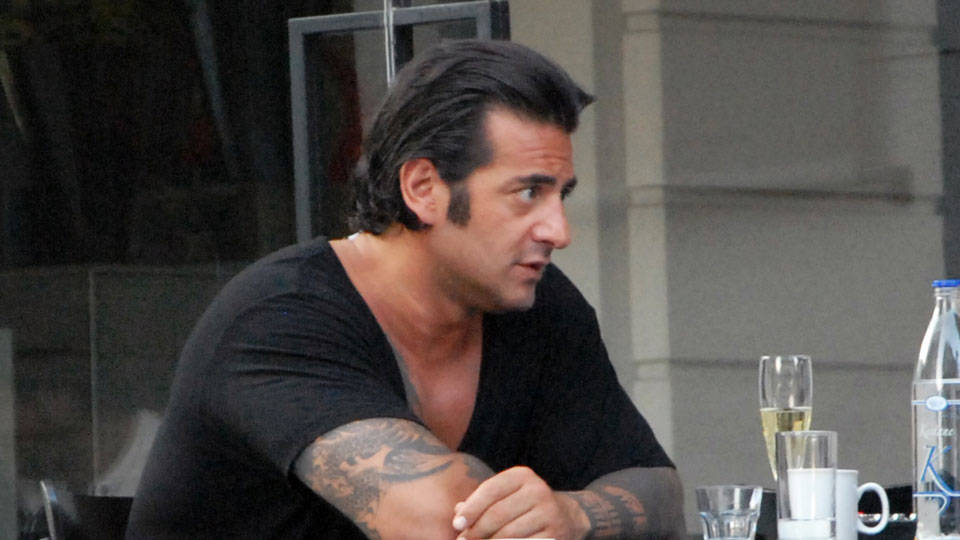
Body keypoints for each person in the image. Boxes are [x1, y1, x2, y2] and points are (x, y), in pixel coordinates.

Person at [126, 39, 685, 539]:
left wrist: (574, 514)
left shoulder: (538, 306)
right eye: (527, 194)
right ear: (423, 188)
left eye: (561, 195)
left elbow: (657, 488)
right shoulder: (279, 316)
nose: (559, 231)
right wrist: (533, 513)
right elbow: (439, 522)